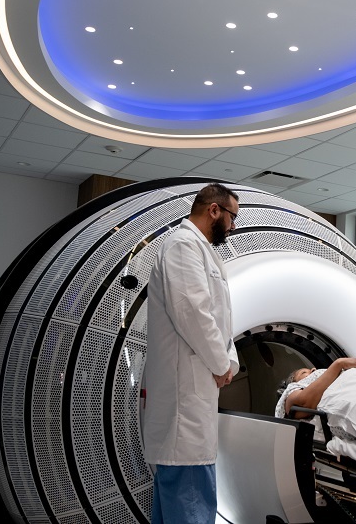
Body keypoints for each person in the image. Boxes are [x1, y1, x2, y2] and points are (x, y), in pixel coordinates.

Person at [142, 183, 241, 524]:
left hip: (194, 392)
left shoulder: (196, 249)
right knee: (188, 496)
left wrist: (229, 360)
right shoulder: (182, 246)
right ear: (214, 210)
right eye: (232, 217)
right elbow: (193, 312)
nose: (232, 226)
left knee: (176, 498)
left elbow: (218, 319)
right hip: (185, 397)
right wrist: (220, 363)